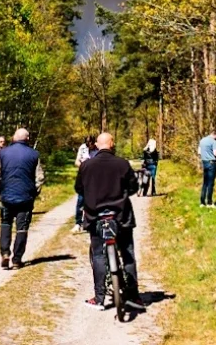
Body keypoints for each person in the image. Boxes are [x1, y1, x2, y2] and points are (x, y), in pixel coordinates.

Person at [75, 132, 143, 311]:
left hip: (95, 217)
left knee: (98, 255)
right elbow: (134, 187)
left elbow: (79, 188)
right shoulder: (122, 164)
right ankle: (134, 296)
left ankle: (99, 298)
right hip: (121, 216)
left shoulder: (86, 165)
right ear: (112, 144)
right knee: (128, 254)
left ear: (97, 145)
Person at [0, 128, 43, 269]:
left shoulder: (2, 152)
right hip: (25, 198)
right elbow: (40, 177)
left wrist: (0, 190)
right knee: (21, 229)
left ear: (14, 137)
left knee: (6, 224)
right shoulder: (34, 154)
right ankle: (17, 260)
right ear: (27, 139)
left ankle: (5, 253)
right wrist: (35, 193)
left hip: (6, 197)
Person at [73, 135, 95, 233]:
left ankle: (90, 221)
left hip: (94, 177)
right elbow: (77, 161)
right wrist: (84, 166)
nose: (89, 145)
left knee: (92, 200)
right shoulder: (82, 148)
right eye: (87, 143)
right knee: (81, 199)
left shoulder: (97, 149)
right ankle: (78, 223)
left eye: (90, 143)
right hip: (83, 175)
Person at [198, 129, 216, 207]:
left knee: (205, 183)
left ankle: (202, 202)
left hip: (204, 162)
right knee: (211, 183)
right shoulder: (214, 142)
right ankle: (209, 202)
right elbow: (215, 153)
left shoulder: (202, 140)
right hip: (212, 163)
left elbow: (199, 152)